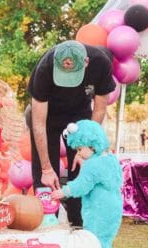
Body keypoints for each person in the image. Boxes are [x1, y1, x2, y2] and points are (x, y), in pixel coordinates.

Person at [26, 40, 116, 227]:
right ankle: (47, 222)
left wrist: (86, 148)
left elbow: (99, 109)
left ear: (86, 62)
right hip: (47, 116)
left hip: (79, 116)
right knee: (45, 175)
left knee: (80, 168)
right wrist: (46, 169)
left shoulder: (101, 62)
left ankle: (79, 223)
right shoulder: (45, 67)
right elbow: (38, 122)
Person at [51, 120, 123, 248]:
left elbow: (82, 185)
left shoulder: (92, 165)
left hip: (98, 208)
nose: (78, 153)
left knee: (94, 235)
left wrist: (63, 191)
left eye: (79, 149)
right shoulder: (110, 158)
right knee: (106, 235)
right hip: (114, 204)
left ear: (91, 144)